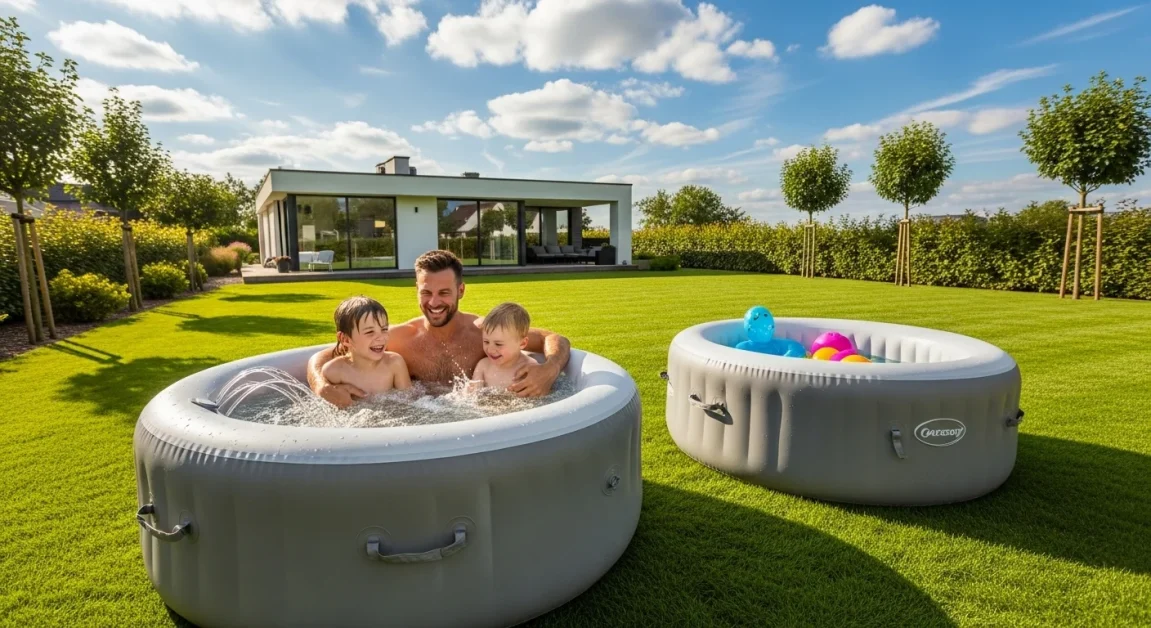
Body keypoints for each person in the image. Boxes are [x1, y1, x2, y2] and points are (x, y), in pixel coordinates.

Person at [307, 250, 570, 408]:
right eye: (426, 292)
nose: (434, 303)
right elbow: (324, 356)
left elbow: (553, 338)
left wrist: (549, 369)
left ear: (461, 290)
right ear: (417, 291)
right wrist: (322, 387)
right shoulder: (399, 338)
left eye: (444, 292)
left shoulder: (484, 333)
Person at [320, 296, 411, 397]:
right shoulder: (335, 371)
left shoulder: (394, 364)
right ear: (345, 339)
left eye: (384, 329)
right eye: (370, 332)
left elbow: (410, 401)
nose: (381, 338)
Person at [470, 302, 539, 391]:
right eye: (486, 342)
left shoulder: (529, 368)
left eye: (498, 344)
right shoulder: (483, 366)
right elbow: (472, 396)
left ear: (522, 343)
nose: (490, 349)